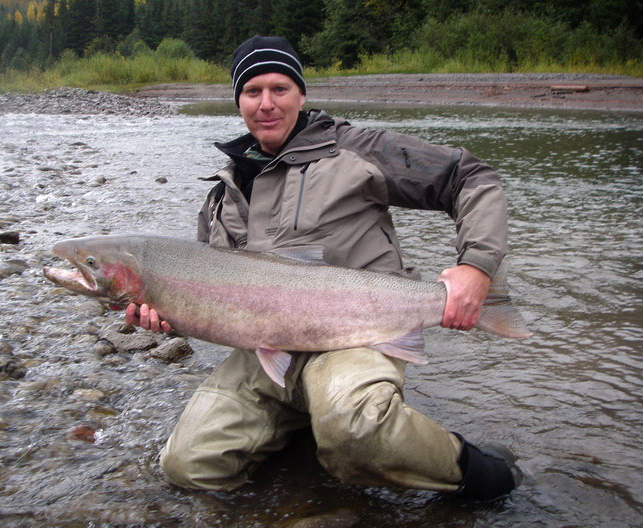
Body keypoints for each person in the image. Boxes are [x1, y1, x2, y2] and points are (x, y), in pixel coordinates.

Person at [126, 35, 522, 500]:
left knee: (354, 428)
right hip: (265, 356)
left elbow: (470, 178)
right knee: (187, 466)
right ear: (238, 101)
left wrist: (476, 267)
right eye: (252, 91)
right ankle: (305, 429)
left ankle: (479, 470)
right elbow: (212, 298)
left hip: (355, 335)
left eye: (280, 88)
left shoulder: (355, 150)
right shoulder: (221, 194)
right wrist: (165, 314)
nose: (267, 103)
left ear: (302, 94)